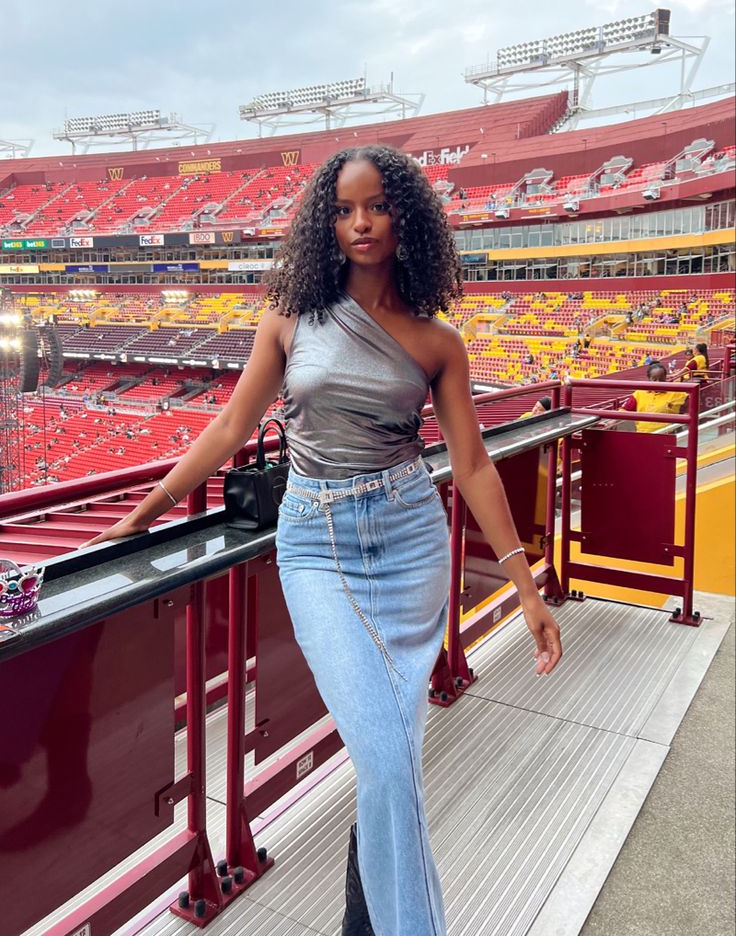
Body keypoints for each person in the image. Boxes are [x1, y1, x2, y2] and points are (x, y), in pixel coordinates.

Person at [81, 145, 562, 936]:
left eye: (375, 206)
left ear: (404, 214)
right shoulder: (289, 315)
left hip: (409, 544)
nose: (360, 222)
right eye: (343, 209)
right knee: (385, 762)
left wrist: (526, 587)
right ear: (323, 221)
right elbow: (233, 426)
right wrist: (141, 515)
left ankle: (362, 924)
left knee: (391, 763)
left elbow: (470, 464)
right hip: (317, 546)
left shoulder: (439, 340)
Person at [620, 361, 685, 433]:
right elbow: (624, 410)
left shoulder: (677, 394)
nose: (658, 383)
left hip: (667, 437)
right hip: (642, 435)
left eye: (661, 379)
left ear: (665, 378)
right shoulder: (639, 393)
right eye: (654, 379)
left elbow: (690, 411)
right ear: (649, 379)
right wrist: (610, 423)